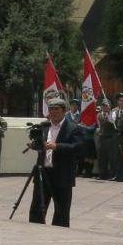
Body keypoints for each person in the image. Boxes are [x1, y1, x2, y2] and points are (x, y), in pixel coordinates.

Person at [27, 98, 79, 228]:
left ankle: (58, 236)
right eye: (50, 109)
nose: (53, 112)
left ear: (64, 111)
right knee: (36, 208)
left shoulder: (73, 128)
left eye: (56, 109)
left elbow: (78, 148)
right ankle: (34, 232)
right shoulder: (44, 126)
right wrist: (35, 145)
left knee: (61, 211)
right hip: (43, 172)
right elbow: (41, 145)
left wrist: (57, 146)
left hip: (62, 174)